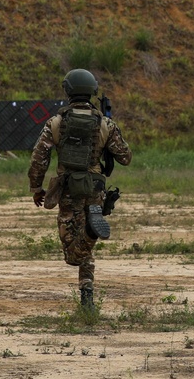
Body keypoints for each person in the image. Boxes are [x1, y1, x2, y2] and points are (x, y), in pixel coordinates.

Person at [28, 69, 132, 309]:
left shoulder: (55, 123)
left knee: (73, 254)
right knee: (86, 247)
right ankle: (87, 296)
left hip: (68, 190)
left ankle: (91, 231)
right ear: (91, 91)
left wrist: (36, 187)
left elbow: (38, 158)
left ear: (68, 91)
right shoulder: (105, 123)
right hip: (95, 190)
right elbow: (125, 157)